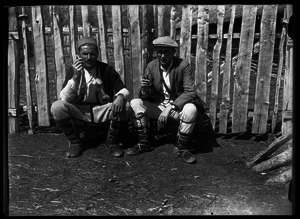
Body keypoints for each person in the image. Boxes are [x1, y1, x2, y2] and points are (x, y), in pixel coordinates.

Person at [51, 36, 130, 158]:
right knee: (57, 107)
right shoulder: (74, 70)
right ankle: (75, 143)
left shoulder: (106, 69)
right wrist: (76, 77)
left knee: (125, 104)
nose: (88, 57)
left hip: (102, 109)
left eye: (92, 54)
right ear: (78, 55)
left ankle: (112, 142)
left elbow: (122, 88)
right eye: (85, 54)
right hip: (81, 111)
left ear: (97, 54)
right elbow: (64, 99)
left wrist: (120, 96)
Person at [126, 36, 201, 164]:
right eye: (159, 52)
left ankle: (181, 148)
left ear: (173, 52)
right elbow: (145, 96)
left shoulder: (182, 65)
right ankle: (144, 142)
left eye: (167, 52)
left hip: (176, 107)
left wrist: (170, 107)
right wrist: (145, 88)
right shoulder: (151, 66)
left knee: (191, 109)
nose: (162, 56)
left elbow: (190, 91)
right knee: (135, 103)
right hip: (158, 105)